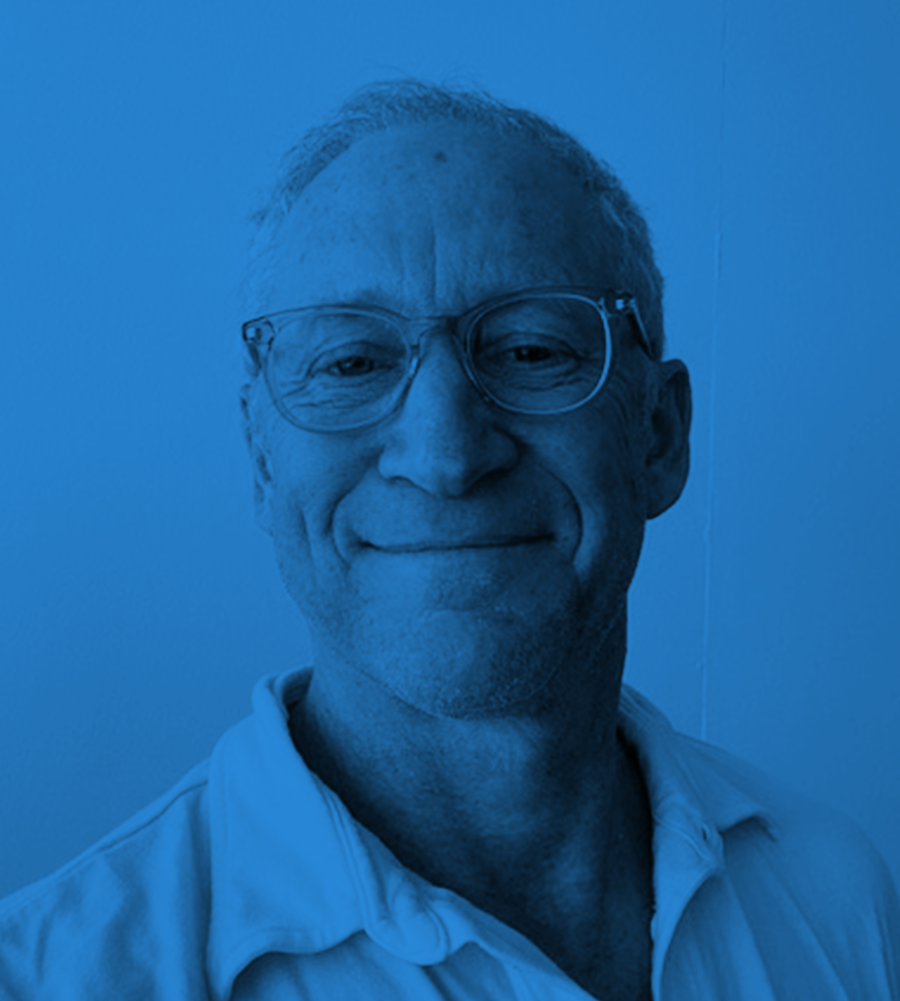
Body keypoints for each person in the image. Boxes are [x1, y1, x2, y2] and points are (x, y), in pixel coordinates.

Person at [1, 80, 897, 1000]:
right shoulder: (55, 976)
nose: (446, 456)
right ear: (263, 463)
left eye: (531, 350)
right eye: (351, 361)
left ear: (658, 436)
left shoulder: (837, 895)